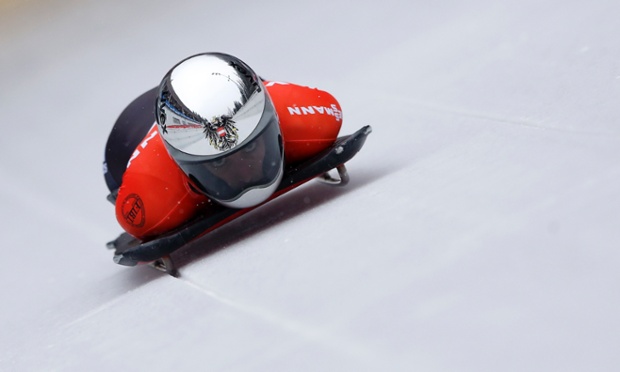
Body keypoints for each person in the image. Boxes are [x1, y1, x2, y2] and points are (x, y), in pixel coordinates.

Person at [103, 52, 344, 240]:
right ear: (181, 164)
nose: (245, 171)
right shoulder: (153, 200)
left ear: (274, 126)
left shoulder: (313, 120)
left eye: (250, 148)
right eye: (219, 161)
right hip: (130, 132)